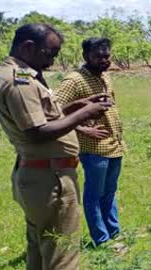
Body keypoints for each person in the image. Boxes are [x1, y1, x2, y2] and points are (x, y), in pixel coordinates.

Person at [0, 23, 109, 270]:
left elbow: (43, 116)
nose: (53, 60)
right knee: (61, 248)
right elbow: (36, 132)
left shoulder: (20, 76)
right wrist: (85, 113)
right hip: (50, 180)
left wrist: (75, 107)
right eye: (50, 53)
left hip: (40, 175)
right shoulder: (20, 80)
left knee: (40, 245)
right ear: (28, 47)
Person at [54, 37, 126, 250]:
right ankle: (101, 240)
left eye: (106, 56)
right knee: (94, 194)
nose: (104, 60)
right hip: (93, 149)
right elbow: (53, 110)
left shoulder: (105, 76)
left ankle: (115, 233)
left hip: (113, 145)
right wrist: (82, 128)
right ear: (86, 56)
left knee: (110, 192)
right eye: (98, 56)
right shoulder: (74, 80)